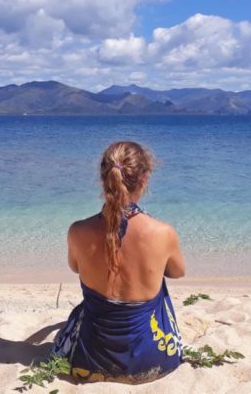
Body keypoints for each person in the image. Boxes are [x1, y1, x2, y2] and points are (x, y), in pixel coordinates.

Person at [51, 141, 187, 383]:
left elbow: (76, 268)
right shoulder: (163, 232)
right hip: (154, 358)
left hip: (87, 360)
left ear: (104, 179)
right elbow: (177, 273)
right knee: (159, 279)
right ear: (145, 179)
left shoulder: (78, 230)